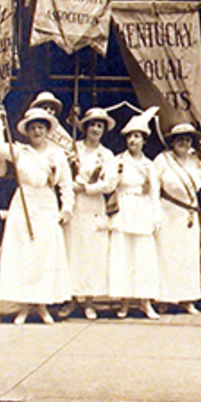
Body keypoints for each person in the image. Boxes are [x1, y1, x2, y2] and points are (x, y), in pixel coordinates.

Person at [0, 107, 73, 324]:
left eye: (41, 127)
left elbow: (66, 184)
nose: (37, 131)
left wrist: (66, 208)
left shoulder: (57, 155)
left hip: (46, 204)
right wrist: (0, 121)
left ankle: (42, 305)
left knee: (44, 256)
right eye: (33, 128)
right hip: (24, 203)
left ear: (47, 130)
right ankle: (23, 307)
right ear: (27, 132)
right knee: (24, 255)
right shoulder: (20, 151)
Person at [103, 109, 161, 320]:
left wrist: (156, 218)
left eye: (137, 136)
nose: (133, 140)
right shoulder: (117, 161)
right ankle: (124, 302)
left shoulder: (149, 165)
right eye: (130, 136)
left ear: (144, 140)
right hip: (124, 210)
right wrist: (115, 179)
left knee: (143, 257)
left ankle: (145, 302)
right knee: (123, 256)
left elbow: (155, 193)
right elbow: (108, 186)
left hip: (142, 210)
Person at [59, 108, 116, 320]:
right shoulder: (74, 149)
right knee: (73, 251)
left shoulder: (107, 155)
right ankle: (72, 299)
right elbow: (62, 173)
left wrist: (88, 189)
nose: (95, 129)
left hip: (94, 205)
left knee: (93, 254)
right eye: (92, 124)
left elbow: (110, 183)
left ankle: (90, 301)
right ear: (85, 127)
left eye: (99, 125)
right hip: (75, 205)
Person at [154, 123, 201, 315]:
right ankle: (165, 299)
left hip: (188, 215)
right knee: (167, 256)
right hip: (167, 212)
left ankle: (187, 299)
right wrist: (155, 216)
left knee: (188, 257)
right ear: (172, 142)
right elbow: (154, 188)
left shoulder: (195, 160)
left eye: (187, 139)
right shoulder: (162, 160)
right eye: (180, 139)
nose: (184, 143)